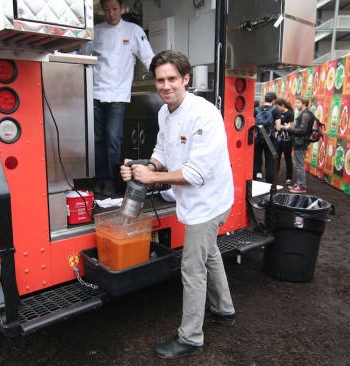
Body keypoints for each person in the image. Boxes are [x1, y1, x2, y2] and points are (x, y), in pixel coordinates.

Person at [120, 50, 235, 359]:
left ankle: (191, 337)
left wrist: (152, 178)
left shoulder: (204, 114)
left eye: (172, 79)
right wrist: (146, 166)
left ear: (186, 79)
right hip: (194, 201)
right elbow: (162, 148)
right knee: (209, 253)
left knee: (192, 267)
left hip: (209, 202)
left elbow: (196, 174)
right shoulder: (165, 112)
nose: (166, 86)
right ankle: (224, 308)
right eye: (160, 80)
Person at [80, 0, 154, 196]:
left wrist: (164, 77)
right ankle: (99, 178)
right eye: (106, 9)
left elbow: (149, 59)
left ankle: (111, 181)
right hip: (95, 93)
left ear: (121, 8)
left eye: (114, 9)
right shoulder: (95, 31)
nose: (111, 13)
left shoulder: (133, 31)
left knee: (113, 138)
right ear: (102, 10)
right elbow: (81, 58)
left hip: (118, 95)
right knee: (97, 139)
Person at [253, 92, 281, 183]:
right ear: (273, 100)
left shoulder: (256, 110)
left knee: (256, 158)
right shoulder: (275, 111)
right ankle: (269, 182)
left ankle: (255, 178)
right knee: (269, 161)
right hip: (270, 139)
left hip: (257, 139)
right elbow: (278, 127)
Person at [288, 96, 314, 193]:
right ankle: (299, 183)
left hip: (301, 142)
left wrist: (290, 129)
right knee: (298, 164)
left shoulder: (305, 115)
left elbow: (302, 130)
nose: (296, 104)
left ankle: (302, 186)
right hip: (299, 142)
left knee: (299, 165)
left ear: (304, 103)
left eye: (298, 102)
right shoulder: (304, 114)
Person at [274, 98, 295, 185]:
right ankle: (274, 176)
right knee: (276, 157)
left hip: (288, 139)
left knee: (287, 158)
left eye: (278, 106)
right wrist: (280, 126)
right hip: (279, 138)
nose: (277, 108)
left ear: (282, 105)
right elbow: (275, 126)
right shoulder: (277, 113)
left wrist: (280, 126)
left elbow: (289, 126)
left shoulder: (290, 113)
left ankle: (289, 177)